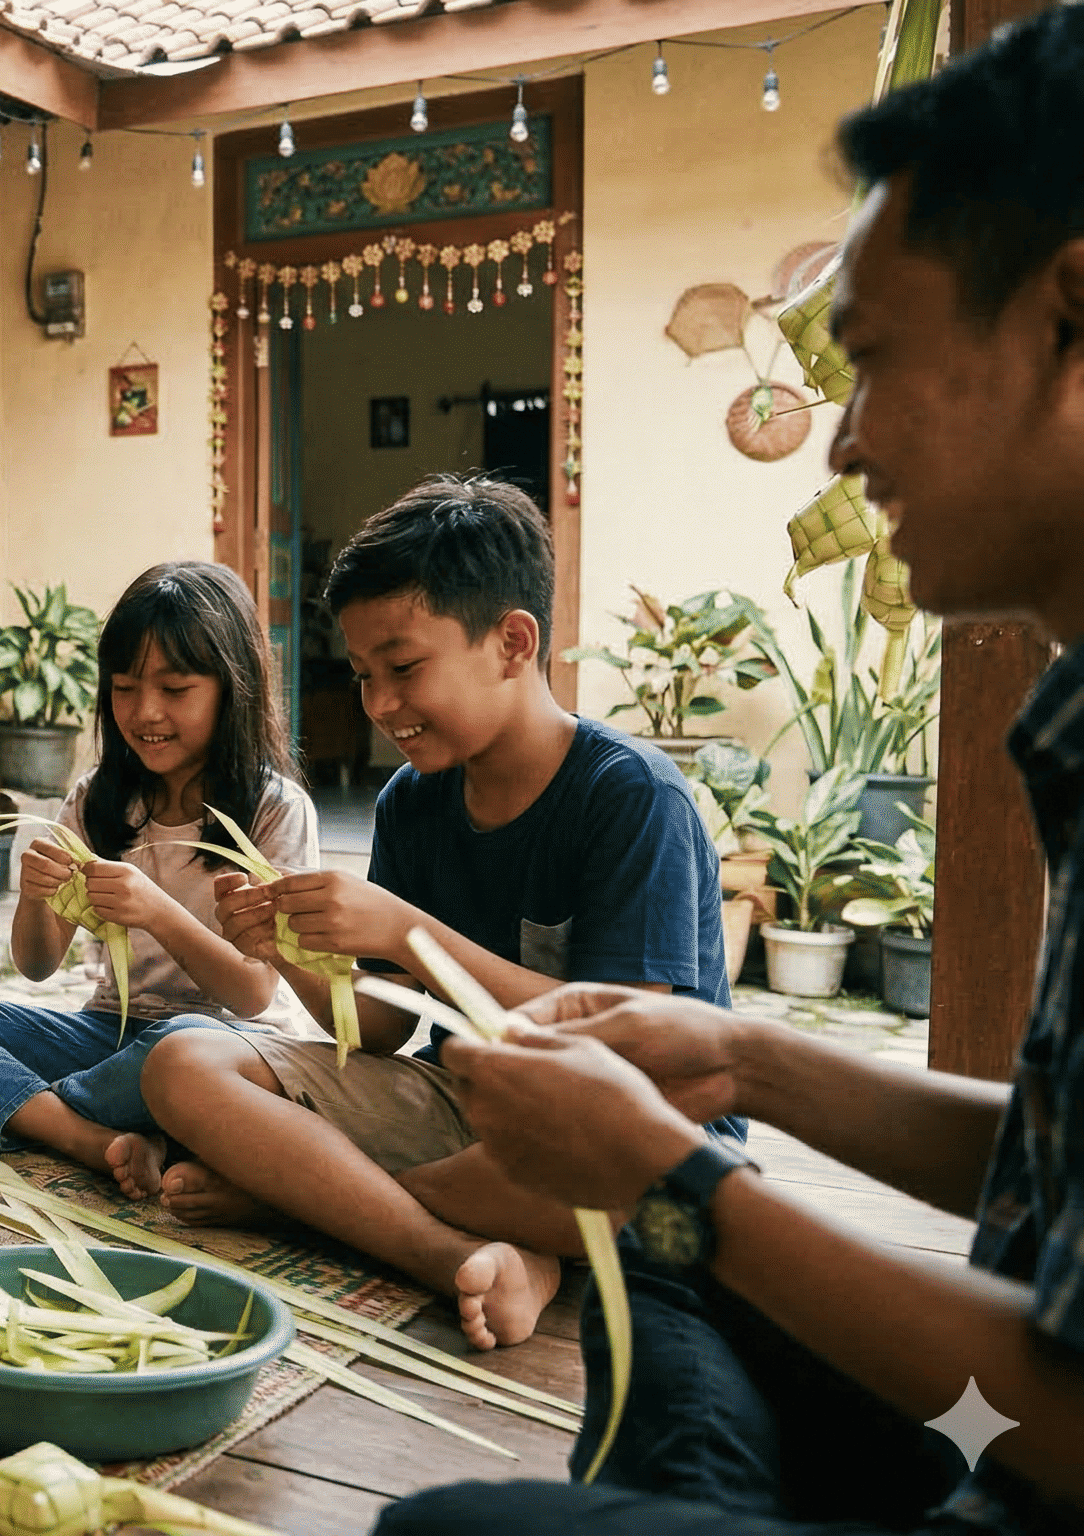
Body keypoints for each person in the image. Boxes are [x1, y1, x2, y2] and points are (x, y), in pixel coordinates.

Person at [387, 13, 1084, 1528]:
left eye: (880, 363)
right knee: (677, 1290)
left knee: (448, 1521)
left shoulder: (627, 800)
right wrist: (745, 1062)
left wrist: (673, 1180)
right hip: (992, 1430)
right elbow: (1049, 1166)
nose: (842, 446)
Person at [140, 476, 729, 1350]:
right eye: (364, 675)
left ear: (512, 642)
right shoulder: (410, 805)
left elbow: (636, 1044)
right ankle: (448, 1250)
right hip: (465, 1103)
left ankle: (313, 1197)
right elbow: (375, 1030)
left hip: (626, 1129)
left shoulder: (630, 797)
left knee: (668, 1196)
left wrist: (408, 932)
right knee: (181, 1064)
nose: (379, 706)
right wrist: (290, 948)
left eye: (405, 668)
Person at [0, 561, 319, 1183]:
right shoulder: (95, 801)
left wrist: (157, 912)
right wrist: (35, 896)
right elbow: (35, 966)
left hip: (227, 1044)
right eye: (125, 687)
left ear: (231, 687)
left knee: (178, 1047)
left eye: (175, 689)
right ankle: (90, 1135)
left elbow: (253, 994)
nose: (145, 712)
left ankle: (19, 1103)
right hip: (109, 1034)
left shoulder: (274, 810)